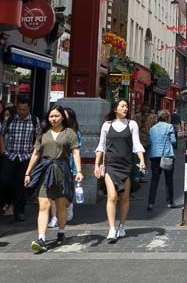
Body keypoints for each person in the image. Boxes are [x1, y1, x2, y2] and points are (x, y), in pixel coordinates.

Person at [24, 104, 83, 253]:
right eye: (51, 116)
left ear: (62, 116)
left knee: (61, 205)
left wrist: (79, 171)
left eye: (56, 115)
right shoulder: (43, 133)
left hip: (62, 170)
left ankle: (61, 231)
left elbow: (75, 152)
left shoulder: (69, 133)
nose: (53, 118)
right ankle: (42, 238)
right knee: (43, 205)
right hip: (46, 169)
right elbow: (36, 154)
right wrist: (28, 172)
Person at [95, 99, 146, 242]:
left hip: (126, 166)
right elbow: (101, 146)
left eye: (126, 106)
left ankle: (122, 226)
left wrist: (141, 160)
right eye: (122, 106)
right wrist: (97, 164)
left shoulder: (132, 124)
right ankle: (112, 228)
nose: (125, 108)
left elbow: (136, 144)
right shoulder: (107, 125)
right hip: (110, 165)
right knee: (112, 196)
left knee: (124, 197)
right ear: (115, 108)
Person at [0, 99, 40, 221]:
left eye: (25, 109)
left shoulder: (34, 120)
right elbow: (1, 133)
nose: (22, 112)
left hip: (25, 157)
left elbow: (38, 137)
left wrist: (35, 152)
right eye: (20, 109)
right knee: (5, 181)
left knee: (22, 185)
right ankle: (7, 203)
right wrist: (2, 149)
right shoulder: (11, 119)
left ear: (29, 109)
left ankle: (19, 210)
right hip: (10, 155)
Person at [147, 109, 178, 211]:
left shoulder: (152, 128)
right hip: (167, 155)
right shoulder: (169, 127)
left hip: (155, 156)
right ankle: (170, 202)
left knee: (154, 180)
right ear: (167, 117)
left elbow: (149, 143)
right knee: (169, 180)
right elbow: (173, 141)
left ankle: (150, 203)